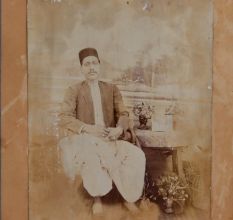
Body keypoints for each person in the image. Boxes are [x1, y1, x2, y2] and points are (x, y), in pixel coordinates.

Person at [58, 48, 146, 215]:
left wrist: (118, 129)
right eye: (87, 64)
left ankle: (128, 198)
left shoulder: (112, 89)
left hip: (110, 138)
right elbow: (64, 116)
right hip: (86, 140)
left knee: (136, 155)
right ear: (81, 68)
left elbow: (123, 113)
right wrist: (87, 128)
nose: (91, 68)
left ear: (100, 65)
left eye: (94, 63)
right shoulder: (74, 90)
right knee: (92, 156)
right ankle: (97, 199)